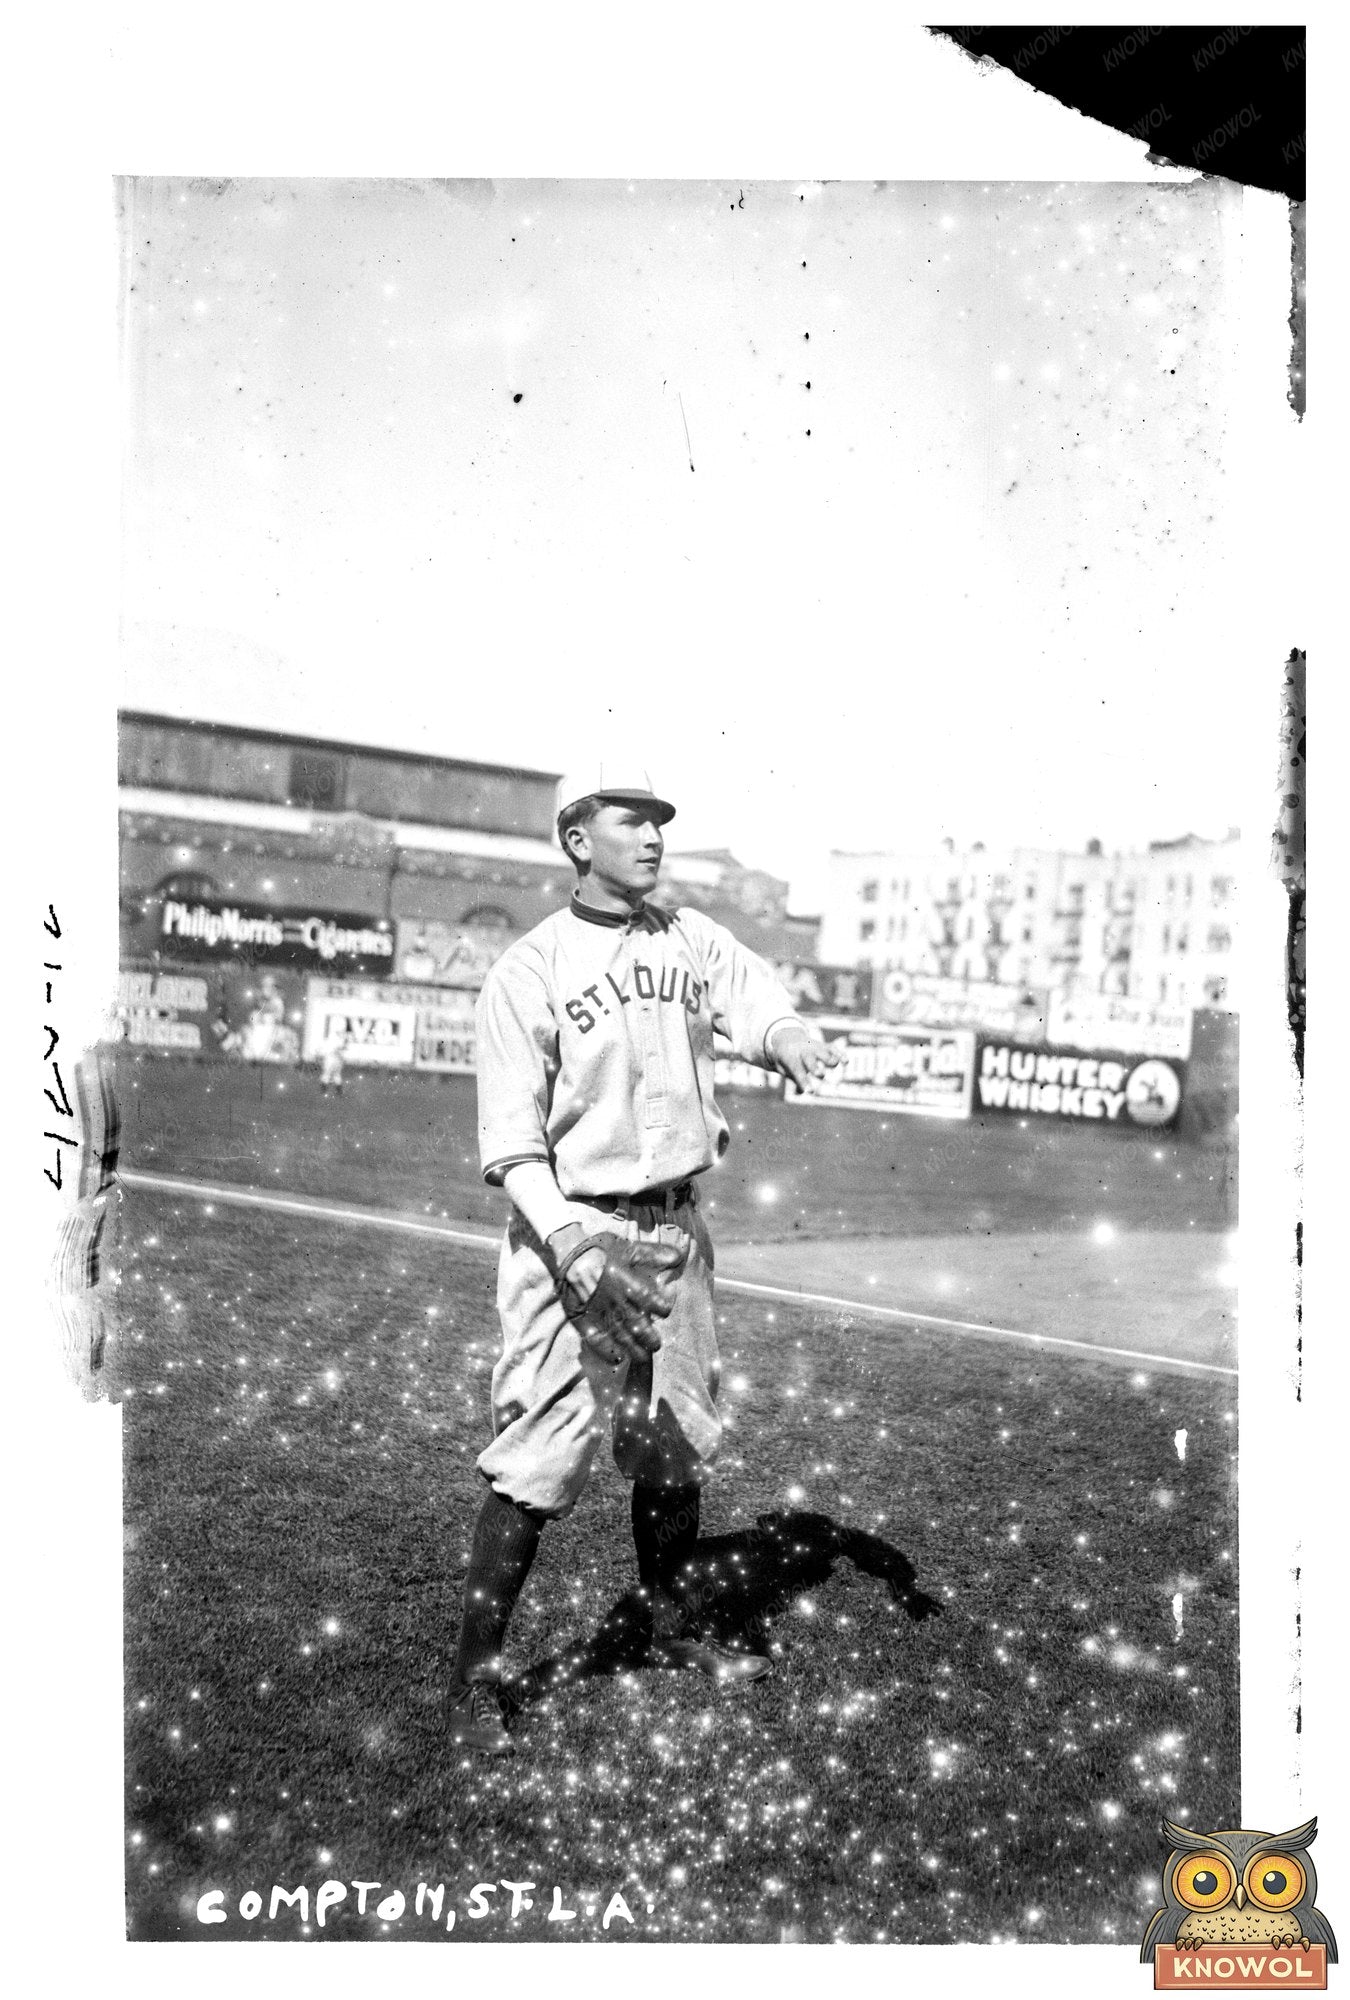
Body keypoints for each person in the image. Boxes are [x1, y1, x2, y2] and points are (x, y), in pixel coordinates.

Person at [447, 768, 843, 1754]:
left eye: (661, 819)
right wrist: (576, 1244)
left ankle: (669, 1627)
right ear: (577, 837)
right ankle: (473, 1673)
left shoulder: (688, 936)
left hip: (673, 1225)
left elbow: (755, 999)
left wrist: (784, 1032)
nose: (655, 835)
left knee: (674, 1441)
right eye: (632, 819)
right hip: (568, 1232)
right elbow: (509, 1145)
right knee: (539, 1454)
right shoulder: (528, 970)